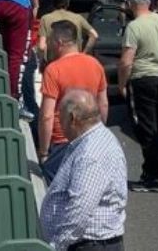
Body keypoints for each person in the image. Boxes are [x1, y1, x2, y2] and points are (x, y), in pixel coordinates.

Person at [40, 90, 127, 251]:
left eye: (60, 118)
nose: (60, 125)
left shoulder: (91, 153)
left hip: (90, 245)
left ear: (72, 119)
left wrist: (57, 245)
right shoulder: (96, 138)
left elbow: (80, 208)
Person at [37, 21, 109, 182]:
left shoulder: (54, 70)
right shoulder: (95, 65)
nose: (48, 45)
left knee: (56, 191)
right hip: (90, 138)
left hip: (62, 140)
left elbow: (47, 115)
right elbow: (103, 104)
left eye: (50, 41)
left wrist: (43, 152)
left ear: (60, 43)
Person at [117, 0, 158, 192]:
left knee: (144, 128)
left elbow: (126, 61)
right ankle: (153, 173)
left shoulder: (134, 27)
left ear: (132, 4)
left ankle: (153, 176)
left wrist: (122, 85)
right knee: (156, 126)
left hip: (142, 79)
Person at [38, 0, 99, 64]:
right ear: (68, 2)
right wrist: (84, 53)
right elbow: (94, 35)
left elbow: (42, 46)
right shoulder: (78, 18)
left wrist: (43, 61)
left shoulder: (45, 19)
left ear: (53, 2)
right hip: (75, 61)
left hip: (54, 63)